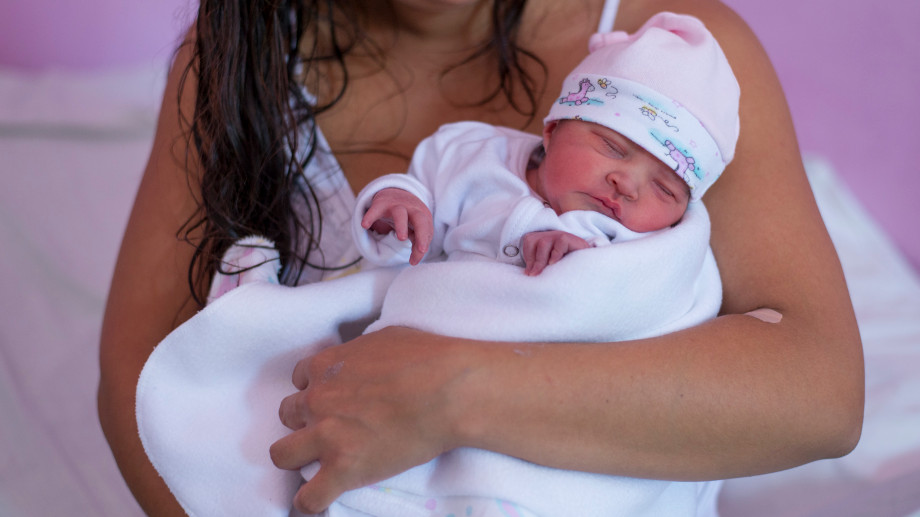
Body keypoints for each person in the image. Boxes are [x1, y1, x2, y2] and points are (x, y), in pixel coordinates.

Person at [97, 1, 865, 516]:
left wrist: (455, 391)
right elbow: (140, 380)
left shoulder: (680, 66)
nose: (630, 178)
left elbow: (820, 391)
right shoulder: (241, 56)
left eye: (655, 178)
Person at [352, 12, 737, 278]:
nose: (627, 184)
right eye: (612, 147)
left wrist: (582, 267)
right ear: (552, 131)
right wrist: (399, 207)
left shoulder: (646, 242)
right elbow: (414, 241)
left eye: (664, 188)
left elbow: (655, 299)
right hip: (423, 337)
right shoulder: (473, 154)